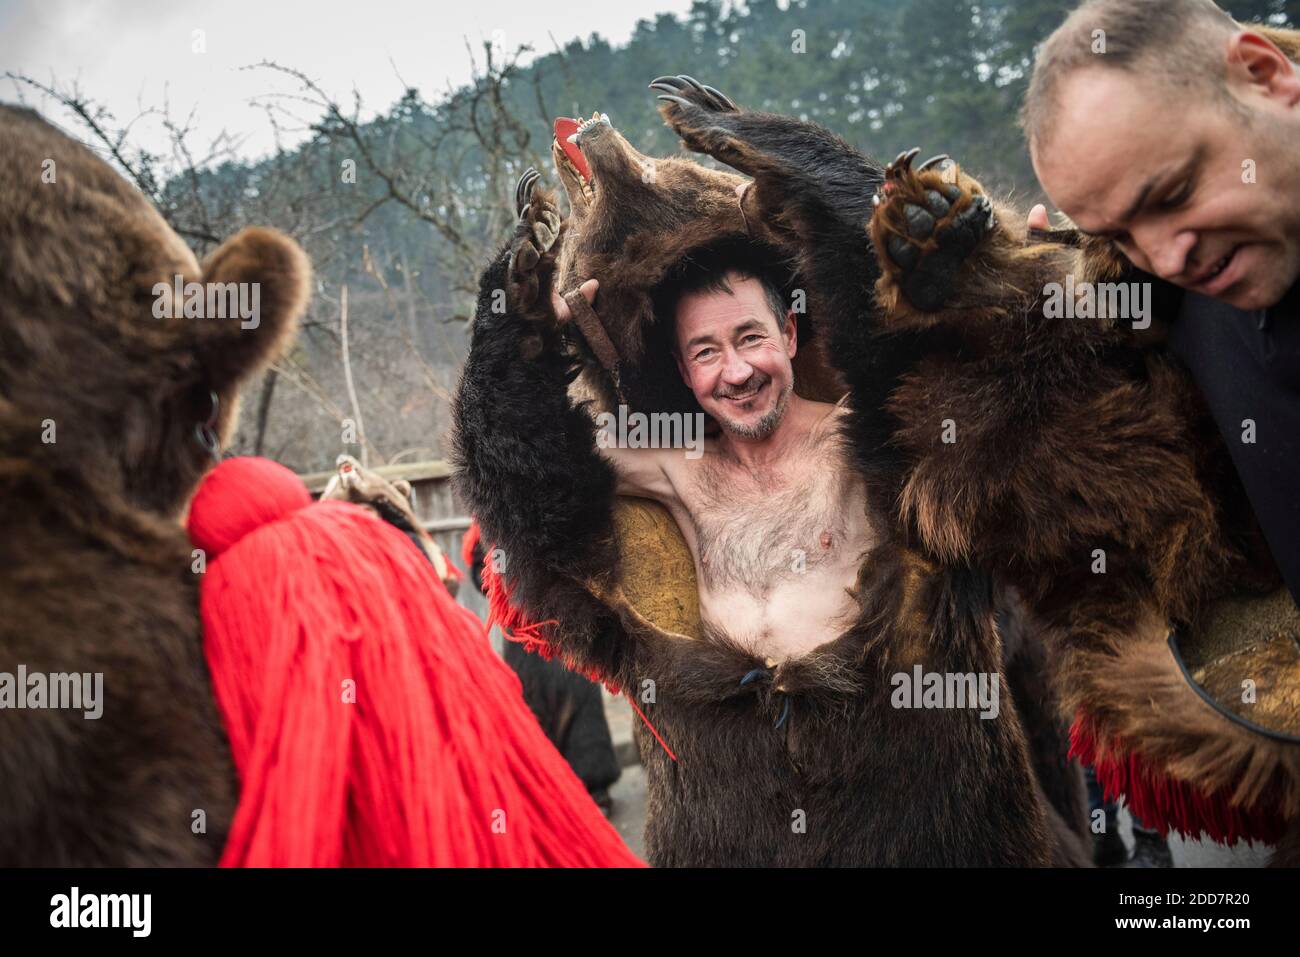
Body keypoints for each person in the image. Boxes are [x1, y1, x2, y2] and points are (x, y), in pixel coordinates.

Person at [1022, 0, 1300, 605]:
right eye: (1120, 234)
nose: (1168, 257)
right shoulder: (1186, 305)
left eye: (1172, 194)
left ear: (1265, 76)